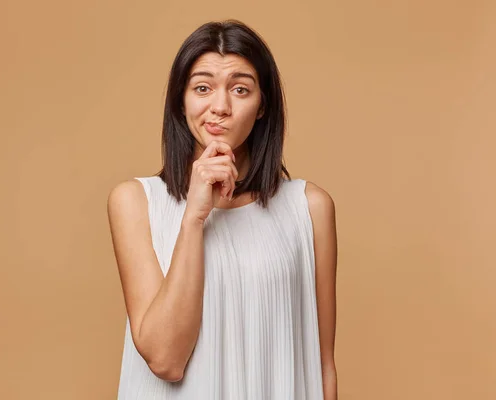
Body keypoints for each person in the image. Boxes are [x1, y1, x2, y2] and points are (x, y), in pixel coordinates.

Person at [107, 19, 338, 400]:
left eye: (240, 89)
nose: (220, 107)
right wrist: (194, 218)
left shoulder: (309, 208)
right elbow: (166, 359)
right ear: (181, 104)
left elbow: (323, 366)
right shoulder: (134, 202)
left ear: (263, 105)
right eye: (202, 88)